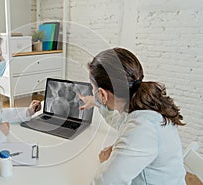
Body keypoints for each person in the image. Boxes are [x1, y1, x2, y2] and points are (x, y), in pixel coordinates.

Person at [79, 48, 186, 185]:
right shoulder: (141, 105)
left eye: (94, 90)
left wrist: (109, 160)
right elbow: (120, 122)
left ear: (103, 94)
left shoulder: (143, 128)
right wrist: (96, 102)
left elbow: (105, 182)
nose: (94, 93)